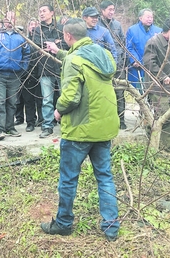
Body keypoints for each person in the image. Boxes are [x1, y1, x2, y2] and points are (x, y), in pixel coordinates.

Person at [40, 19, 120, 241]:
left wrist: (57, 111)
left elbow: (71, 97)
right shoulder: (102, 54)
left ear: (67, 36)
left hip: (79, 130)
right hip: (104, 128)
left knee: (68, 179)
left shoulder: (74, 59)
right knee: (104, 177)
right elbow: (81, 61)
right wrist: (60, 53)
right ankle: (111, 227)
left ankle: (64, 223)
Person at [0, 15, 30, 140]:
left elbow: (27, 53)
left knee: (12, 102)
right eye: (7, 18)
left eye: (12, 18)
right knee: (0, 101)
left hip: (15, 74)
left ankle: (10, 127)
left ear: (15, 20)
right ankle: (0, 129)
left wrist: (23, 68)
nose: (10, 21)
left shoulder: (21, 36)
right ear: (3, 20)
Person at [143, 18, 170, 150]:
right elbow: (149, 63)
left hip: (169, 87)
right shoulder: (154, 42)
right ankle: (154, 145)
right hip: (157, 88)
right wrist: (162, 76)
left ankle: (167, 146)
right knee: (160, 117)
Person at [32, 4, 67, 138]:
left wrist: (54, 45)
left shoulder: (61, 28)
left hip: (60, 67)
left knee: (65, 97)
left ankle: (66, 123)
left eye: (44, 11)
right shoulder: (37, 30)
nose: (41, 13)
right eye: (40, 11)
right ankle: (47, 125)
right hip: (45, 68)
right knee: (47, 99)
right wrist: (55, 43)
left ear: (52, 13)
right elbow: (36, 47)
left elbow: (65, 44)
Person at [99, 0, 127, 129]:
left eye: (113, 9)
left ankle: (121, 120)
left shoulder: (117, 24)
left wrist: (123, 59)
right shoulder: (96, 25)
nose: (112, 12)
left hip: (118, 63)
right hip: (102, 64)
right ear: (103, 10)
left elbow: (122, 42)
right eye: (109, 9)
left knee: (119, 92)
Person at [15, 19, 44, 132]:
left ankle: (42, 120)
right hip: (26, 74)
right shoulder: (23, 40)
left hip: (41, 73)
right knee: (28, 100)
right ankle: (30, 122)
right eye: (31, 24)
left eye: (36, 24)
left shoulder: (42, 40)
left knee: (41, 99)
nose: (33, 27)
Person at [126, 8, 162, 91]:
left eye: (151, 17)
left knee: (154, 90)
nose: (150, 19)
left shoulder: (158, 31)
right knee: (139, 91)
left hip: (153, 65)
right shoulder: (132, 30)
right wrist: (134, 60)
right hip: (138, 65)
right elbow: (129, 47)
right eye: (147, 17)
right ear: (140, 18)